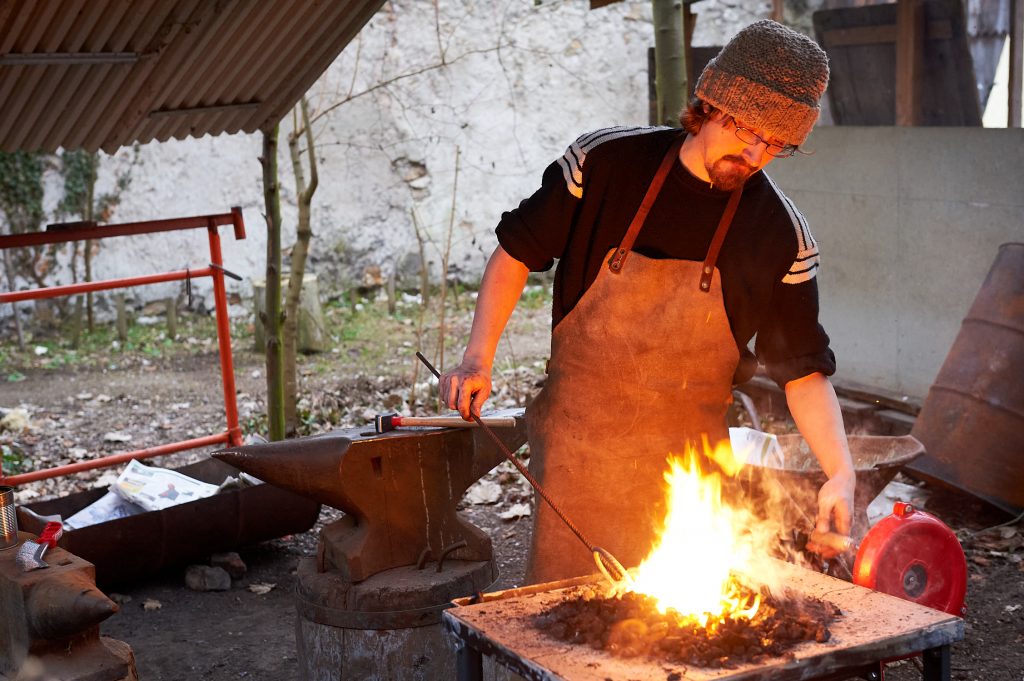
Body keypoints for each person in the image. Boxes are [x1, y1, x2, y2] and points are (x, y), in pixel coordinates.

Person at [439, 20, 856, 584]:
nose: (756, 152)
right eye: (748, 128)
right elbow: (516, 252)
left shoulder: (781, 234)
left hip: (689, 476)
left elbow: (803, 369)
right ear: (711, 103)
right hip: (579, 456)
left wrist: (841, 472)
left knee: (681, 636)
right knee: (564, 626)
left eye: (776, 144)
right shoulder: (606, 164)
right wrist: (476, 358)